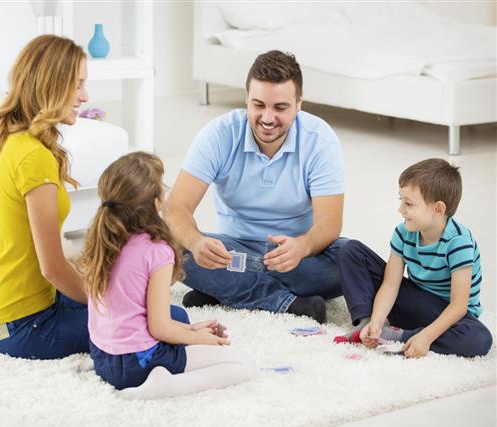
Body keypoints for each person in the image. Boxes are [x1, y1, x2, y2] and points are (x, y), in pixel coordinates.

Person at [165, 50, 346, 324]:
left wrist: (303, 245)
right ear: (246, 99)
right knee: (167, 246)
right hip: (232, 250)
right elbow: (176, 207)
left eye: (280, 108)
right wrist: (195, 242)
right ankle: (287, 303)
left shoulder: (320, 139)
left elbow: (330, 222)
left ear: (299, 103)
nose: (268, 117)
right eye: (258, 105)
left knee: (349, 259)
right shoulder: (219, 134)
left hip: (297, 257)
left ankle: (226, 289)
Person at [79, 151, 256, 399]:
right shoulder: (157, 251)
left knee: (180, 323)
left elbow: (128, 312)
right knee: (240, 366)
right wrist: (201, 341)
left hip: (102, 356)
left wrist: (191, 332)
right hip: (136, 364)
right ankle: (166, 387)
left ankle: (105, 371)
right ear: (155, 202)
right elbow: (160, 327)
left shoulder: (103, 238)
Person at [0, 35, 90, 359]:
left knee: (138, 305)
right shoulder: (32, 156)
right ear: (52, 85)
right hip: (23, 324)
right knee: (164, 320)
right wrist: (105, 304)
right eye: (78, 84)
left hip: (7, 310)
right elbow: (53, 267)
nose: (85, 96)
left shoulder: (18, 141)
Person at [335, 159, 492, 358]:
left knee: (479, 339)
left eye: (408, 203)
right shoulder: (403, 232)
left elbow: (458, 306)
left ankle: (402, 336)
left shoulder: (458, 242)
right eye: (400, 200)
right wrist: (376, 320)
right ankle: (367, 326)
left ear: (438, 209)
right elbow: (391, 285)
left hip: (449, 314)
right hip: (414, 301)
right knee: (351, 250)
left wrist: (426, 337)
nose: (400, 209)